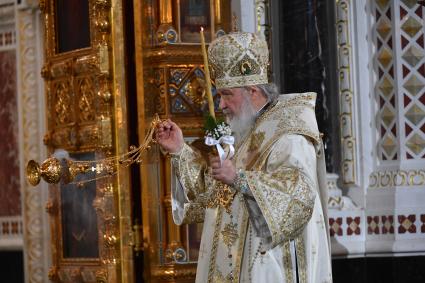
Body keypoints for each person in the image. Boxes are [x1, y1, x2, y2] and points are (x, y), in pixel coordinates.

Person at [156, 32, 332, 282]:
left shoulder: (289, 134)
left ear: (252, 90)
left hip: (269, 268)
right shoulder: (243, 132)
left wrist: (239, 179)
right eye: (219, 95)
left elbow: (298, 198)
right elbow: (211, 196)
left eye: (227, 94)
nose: (221, 105)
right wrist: (179, 150)